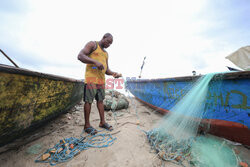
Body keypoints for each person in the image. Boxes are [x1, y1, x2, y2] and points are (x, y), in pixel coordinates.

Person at [77, 33, 122, 135]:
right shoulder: (93, 45)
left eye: (110, 44)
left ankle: (102, 122)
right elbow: (80, 56)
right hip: (91, 79)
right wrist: (94, 62)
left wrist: (114, 74)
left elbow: (106, 70)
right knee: (88, 101)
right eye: (108, 42)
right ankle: (87, 125)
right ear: (103, 38)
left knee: (100, 101)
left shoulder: (106, 54)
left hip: (101, 81)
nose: (108, 45)